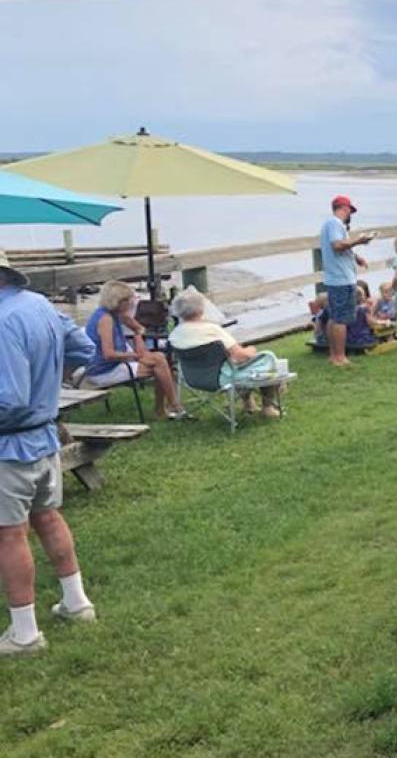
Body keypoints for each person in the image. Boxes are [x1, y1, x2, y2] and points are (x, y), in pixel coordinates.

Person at [0, 251, 100, 656]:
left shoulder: (3, 321)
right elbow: (83, 347)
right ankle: (76, 602)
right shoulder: (39, 303)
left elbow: (8, 398)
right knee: (47, 516)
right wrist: (49, 372)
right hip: (45, 436)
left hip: (11, 444)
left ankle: (24, 633)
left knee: (9, 533)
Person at [168, 288, 286, 418]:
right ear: (201, 309)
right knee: (268, 359)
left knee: (241, 366)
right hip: (221, 378)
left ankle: (248, 403)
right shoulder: (211, 329)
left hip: (190, 378)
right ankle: (268, 406)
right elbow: (241, 355)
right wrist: (251, 349)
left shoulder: (174, 335)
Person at [82, 281, 183, 418]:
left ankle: (169, 407)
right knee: (160, 363)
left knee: (159, 360)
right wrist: (135, 355)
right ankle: (171, 406)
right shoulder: (106, 319)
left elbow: (139, 329)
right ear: (120, 302)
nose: (132, 303)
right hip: (103, 370)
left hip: (116, 364)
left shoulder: (117, 314)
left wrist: (137, 337)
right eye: (129, 300)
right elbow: (109, 354)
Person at [319, 195, 373, 366]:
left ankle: (333, 355)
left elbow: (341, 247)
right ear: (345, 208)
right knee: (341, 319)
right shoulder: (334, 223)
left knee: (334, 317)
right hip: (341, 279)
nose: (351, 214)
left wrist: (356, 257)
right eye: (350, 210)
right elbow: (337, 245)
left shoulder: (332, 225)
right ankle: (340, 357)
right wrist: (359, 240)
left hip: (336, 277)